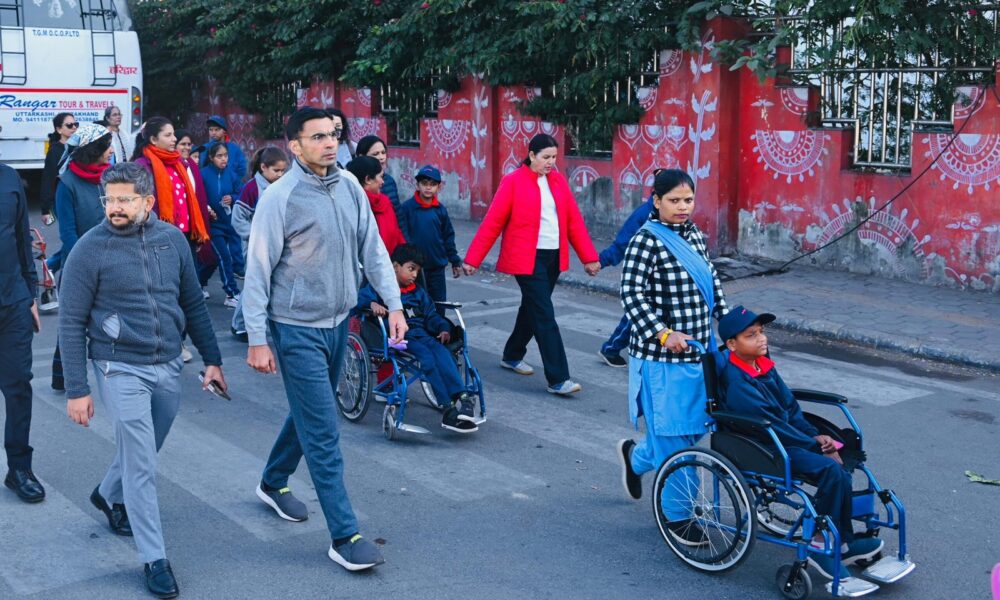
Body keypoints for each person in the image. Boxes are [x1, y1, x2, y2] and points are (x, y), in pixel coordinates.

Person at [243, 106, 405, 571]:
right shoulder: (281, 197)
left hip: (339, 321)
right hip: (295, 329)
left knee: (310, 410)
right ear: (294, 146)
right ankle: (345, 534)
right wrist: (257, 337)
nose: (330, 143)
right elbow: (257, 268)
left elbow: (372, 248)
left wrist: (394, 304)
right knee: (323, 430)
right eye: (317, 137)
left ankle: (273, 481)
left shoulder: (350, 185)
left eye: (333, 134)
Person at [59, 162, 227, 599]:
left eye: (124, 200)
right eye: (109, 200)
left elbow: (192, 301)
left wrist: (212, 359)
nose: (114, 208)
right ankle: (154, 558)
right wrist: (77, 389)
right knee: (142, 463)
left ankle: (106, 491)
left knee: (149, 442)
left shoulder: (172, 240)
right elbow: (72, 322)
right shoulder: (88, 249)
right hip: (118, 366)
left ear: (147, 202)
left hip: (168, 362)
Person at [715, 306, 884, 578]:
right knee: (831, 470)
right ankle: (819, 541)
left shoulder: (764, 366)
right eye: (751, 335)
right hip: (765, 446)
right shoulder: (738, 382)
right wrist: (814, 445)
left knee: (840, 466)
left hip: (787, 438)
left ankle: (845, 540)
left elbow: (791, 409)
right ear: (732, 345)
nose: (761, 339)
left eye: (761, 332)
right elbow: (772, 425)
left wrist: (818, 436)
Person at [615, 170, 728, 534]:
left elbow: (713, 286)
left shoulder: (694, 235)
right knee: (673, 437)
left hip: (699, 356)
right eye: (675, 200)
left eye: (688, 200)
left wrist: (733, 329)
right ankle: (679, 518)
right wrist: (663, 334)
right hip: (661, 360)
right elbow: (631, 296)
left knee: (690, 433)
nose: (683, 207)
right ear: (656, 201)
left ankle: (636, 458)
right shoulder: (645, 241)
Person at [463, 133, 601, 396]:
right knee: (544, 315)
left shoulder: (557, 182)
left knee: (532, 307)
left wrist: (589, 258)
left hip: (553, 257)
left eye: (554, 158)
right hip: (526, 258)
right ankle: (559, 378)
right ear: (532, 155)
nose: (551, 162)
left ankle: (512, 354)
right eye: (546, 157)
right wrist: (473, 259)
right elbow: (493, 222)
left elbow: (573, 222)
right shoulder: (513, 182)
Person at [357, 244, 477, 433]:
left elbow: (431, 315)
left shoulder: (418, 292)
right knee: (428, 358)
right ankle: (447, 406)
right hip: (400, 338)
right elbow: (358, 299)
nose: (414, 275)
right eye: (411, 269)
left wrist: (443, 328)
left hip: (422, 334)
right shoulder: (379, 287)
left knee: (443, 353)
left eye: (417, 271)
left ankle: (462, 397)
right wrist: (371, 303)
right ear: (395, 266)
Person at [49, 123, 114, 392]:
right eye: (106, 146)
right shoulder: (67, 184)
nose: (111, 151)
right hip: (79, 265)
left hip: (112, 260)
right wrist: (85, 265)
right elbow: (68, 233)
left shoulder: (110, 178)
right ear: (92, 150)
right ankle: (62, 376)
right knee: (72, 325)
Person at [0, 162, 44, 504]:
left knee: (18, 386)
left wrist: (30, 293)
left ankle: (19, 469)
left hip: (13, 301)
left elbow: (19, 237)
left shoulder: (9, 177)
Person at [596, 173, 661, 368]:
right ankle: (611, 349)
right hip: (645, 275)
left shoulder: (677, 214)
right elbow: (622, 243)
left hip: (666, 276)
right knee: (638, 315)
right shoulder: (644, 214)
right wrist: (599, 262)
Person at [230, 146, 287, 341]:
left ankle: (248, 323)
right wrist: (255, 236)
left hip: (276, 244)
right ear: (263, 167)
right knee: (255, 286)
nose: (280, 175)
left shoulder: (282, 186)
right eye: (276, 170)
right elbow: (238, 218)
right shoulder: (252, 188)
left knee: (265, 285)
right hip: (254, 246)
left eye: (283, 171)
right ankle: (239, 324)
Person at [398, 165, 463, 316]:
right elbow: (402, 235)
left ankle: (439, 334)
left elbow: (448, 237)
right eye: (424, 184)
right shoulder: (407, 208)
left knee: (439, 305)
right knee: (420, 306)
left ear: (439, 187)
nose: (428, 188)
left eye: (432, 184)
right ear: (417, 185)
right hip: (416, 270)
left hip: (437, 267)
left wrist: (454, 260)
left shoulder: (440, 210)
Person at [197, 143, 244, 307]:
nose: (224, 159)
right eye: (219, 156)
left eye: (225, 155)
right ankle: (231, 293)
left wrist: (232, 197)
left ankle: (198, 285)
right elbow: (198, 197)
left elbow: (241, 193)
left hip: (229, 223)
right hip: (212, 224)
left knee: (215, 260)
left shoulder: (231, 174)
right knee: (224, 256)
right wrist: (208, 210)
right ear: (211, 158)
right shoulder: (202, 175)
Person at [345, 155, 406, 255]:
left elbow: (396, 232)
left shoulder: (384, 201)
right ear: (368, 179)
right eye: (380, 177)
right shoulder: (353, 207)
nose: (383, 182)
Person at [40, 112, 76, 227]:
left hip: (79, 199)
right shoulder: (54, 151)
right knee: (70, 235)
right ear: (59, 129)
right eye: (69, 125)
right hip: (63, 200)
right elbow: (48, 179)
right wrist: (45, 210)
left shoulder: (80, 147)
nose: (74, 127)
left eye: (76, 124)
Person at [355, 134, 400, 211]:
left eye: (383, 152)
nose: (381, 157)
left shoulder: (389, 180)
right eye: (375, 154)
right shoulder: (354, 184)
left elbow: (398, 211)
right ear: (361, 156)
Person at [201, 115, 247, 182]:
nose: (213, 133)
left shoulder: (234, 149)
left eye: (217, 129)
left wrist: (233, 182)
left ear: (224, 131)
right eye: (210, 130)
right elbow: (201, 168)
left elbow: (242, 169)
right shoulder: (205, 148)